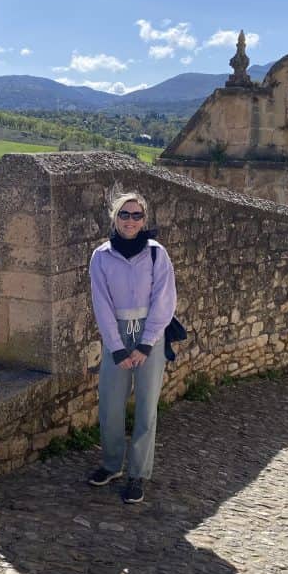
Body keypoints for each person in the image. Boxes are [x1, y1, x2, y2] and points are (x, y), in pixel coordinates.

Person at [88, 191, 177, 504]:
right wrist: (116, 346)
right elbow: (101, 303)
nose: (130, 221)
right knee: (110, 404)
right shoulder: (101, 256)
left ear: (144, 219)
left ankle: (137, 474)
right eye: (124, 214)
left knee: (146, 408)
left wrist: (146, 343)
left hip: (149, 333)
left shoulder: (156, 254)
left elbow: (164, 301)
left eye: (136, 215)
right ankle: (112, 464)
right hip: (117, 333)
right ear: (114, 217)